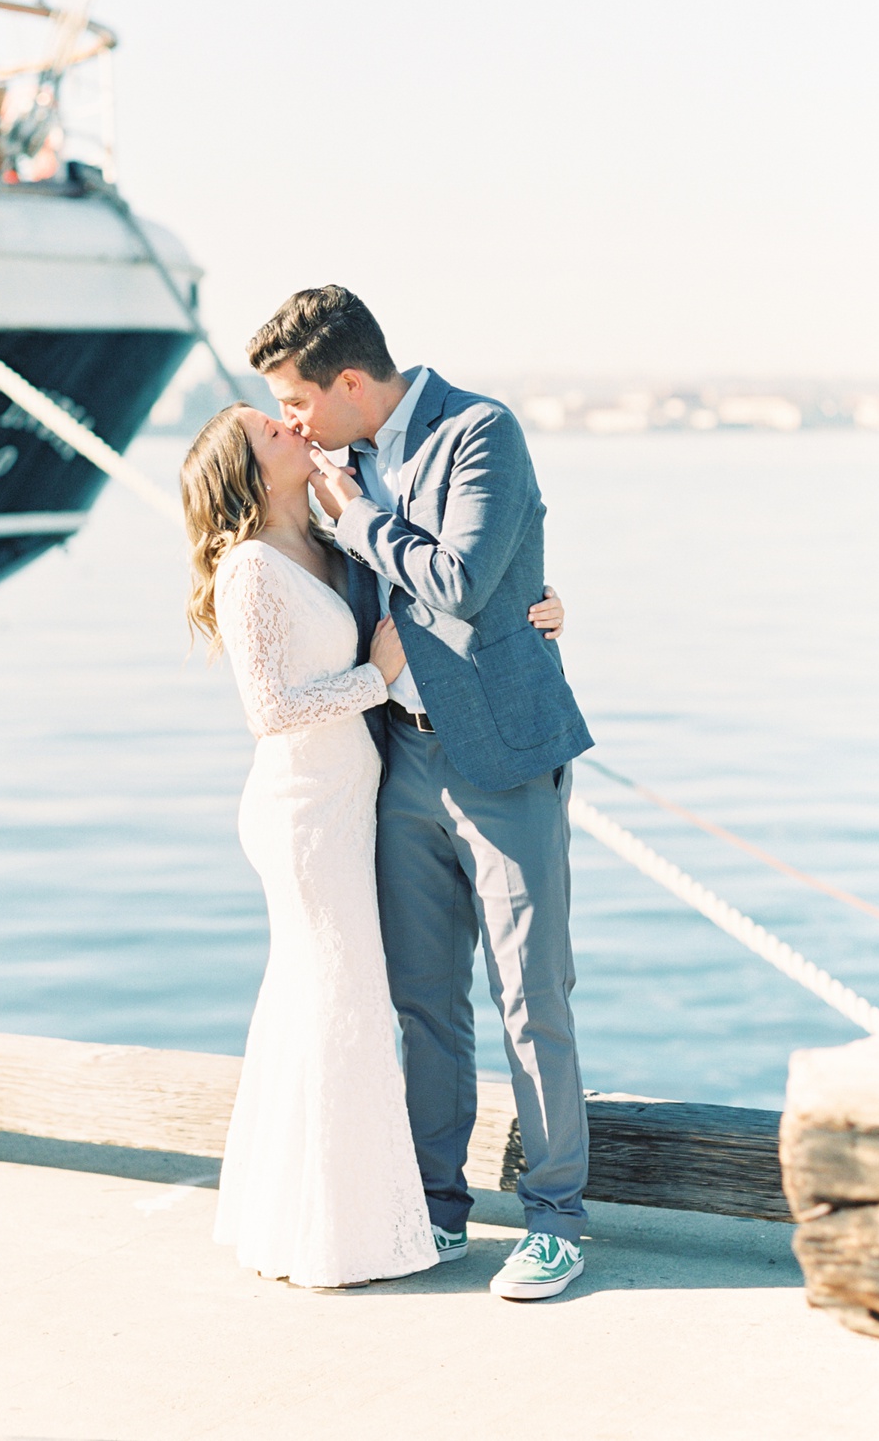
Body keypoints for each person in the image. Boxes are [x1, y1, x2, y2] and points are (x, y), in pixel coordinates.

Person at [248, 285, 594, 1301]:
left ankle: (557, 1220)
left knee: (534, 997)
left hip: (504, 758)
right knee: (423, 1001)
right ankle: (436, 1207)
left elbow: (457, 584)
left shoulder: (480, 430)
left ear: (350, 381)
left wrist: (357, 518)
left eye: (298, 401)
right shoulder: (339, 464)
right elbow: (340, 603)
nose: (295, 424)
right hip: (397, 763)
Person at [179, 399, 566, 1291]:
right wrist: (375, 677)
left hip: (365, 792)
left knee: (354, 998)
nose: (292, 429)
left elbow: (434, 588)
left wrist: (531, 611)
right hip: (306, 809)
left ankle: (362, 1207)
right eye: (270, 431)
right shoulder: (247, 569)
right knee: (336, 998)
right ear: (245, 469)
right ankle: (330, 1228)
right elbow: (270, 712)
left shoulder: (330, 540)